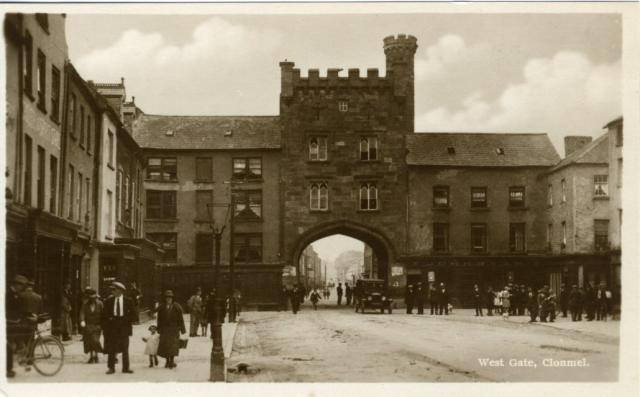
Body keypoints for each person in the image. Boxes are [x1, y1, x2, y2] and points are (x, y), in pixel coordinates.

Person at [101, 281, 135, 374]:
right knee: (112, 347)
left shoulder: (128, 301)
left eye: (114, 290)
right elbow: (104, 315)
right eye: (112, 290)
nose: (112, 292)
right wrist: (108, 325)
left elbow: (133, 315)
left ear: (120, 291)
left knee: (125, 348)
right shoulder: (108, 301)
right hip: (113, 327)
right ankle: (111, 368)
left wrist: (126, 320)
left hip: (124, 327)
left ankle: (126, 368)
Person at [6, 275, 33, 378]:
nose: (22, 288)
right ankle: (10, 368)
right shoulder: (9, 294)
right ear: (17, 285)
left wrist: (27, 314)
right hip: (10, 322)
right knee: (9, 346)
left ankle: (15, 366)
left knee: (14, 343)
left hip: (13, 323)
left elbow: (19, 310)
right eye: (22, 286)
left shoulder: (15, 294)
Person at [157, 290, 186, 369]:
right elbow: (159, 319)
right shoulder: (162, 307)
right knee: (165, 346)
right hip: (165, 329)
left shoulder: (177, 307)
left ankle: (172, 361)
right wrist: (158, 328)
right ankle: (167, 361)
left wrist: (182, 329)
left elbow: (181, 319)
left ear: (172, 298)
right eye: (167, 297)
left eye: (170, 297)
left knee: (173, 346)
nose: (168, 299)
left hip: (174, 329)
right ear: (165, 298)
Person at [80, 288, 103, 364]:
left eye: (94, 298)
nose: (93, 300)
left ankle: (95, 355)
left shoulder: (100, 304)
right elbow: (82, 313)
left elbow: (104, 314)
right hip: (88, 326)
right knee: (89, 342)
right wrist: (82, 321)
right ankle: (92, 356)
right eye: (91, 298)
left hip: (97, 326)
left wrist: (104, 324)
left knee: (95, 341)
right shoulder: (85, 305)